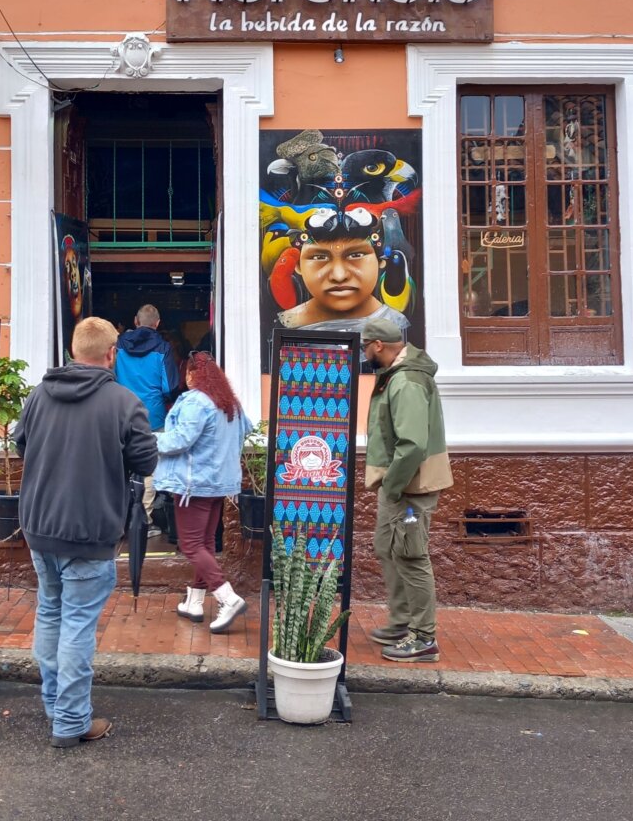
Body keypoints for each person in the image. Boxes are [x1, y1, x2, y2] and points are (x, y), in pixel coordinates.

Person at [15, 317, 157, 748]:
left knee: (51, 613)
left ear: (73, 349)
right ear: (112, 354)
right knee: (76, 623)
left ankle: (55, 708)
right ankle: (70, 722)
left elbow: (22, 444)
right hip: (91, 530)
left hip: (39, 526)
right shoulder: (123, 401)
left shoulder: (38, 395)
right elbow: (146, 461)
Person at [362, 318, 453, 663]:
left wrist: (394, 485)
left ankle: (424, 637)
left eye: (365, 346)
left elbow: (412, 444)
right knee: (386, 547)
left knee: (411, 556)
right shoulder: (397, 377)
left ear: (379, 346)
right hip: (399, 485)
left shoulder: (407, 381)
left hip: (410, 488)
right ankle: (402, 622)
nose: (364, 352)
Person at [154, 351, 252, 633]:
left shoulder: (196, 400)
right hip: (220, 483)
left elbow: (181, 440)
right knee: (206, 543)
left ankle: (227, 597)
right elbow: (245, 430)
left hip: (192, 483)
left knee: (191, 545)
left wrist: (148, 440)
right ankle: (194, 603)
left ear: (192, 374)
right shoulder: (229, 403)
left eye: (187, 373)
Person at [115, 304, 180, 537]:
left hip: (121, 412)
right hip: (152, 416)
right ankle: (144, 520)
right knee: (150, 468)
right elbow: (169, 386)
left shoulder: (119, 345)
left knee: (120, 464)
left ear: (135, 320)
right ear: (157, 323)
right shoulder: (163, 348)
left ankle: (119, 521)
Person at [277, 233, 408, 334]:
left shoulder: (397, 324)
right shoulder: (286, 323)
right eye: (319, 257)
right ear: (298, 266)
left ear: (380, 261)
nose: (339, 276)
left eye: (356, 255)